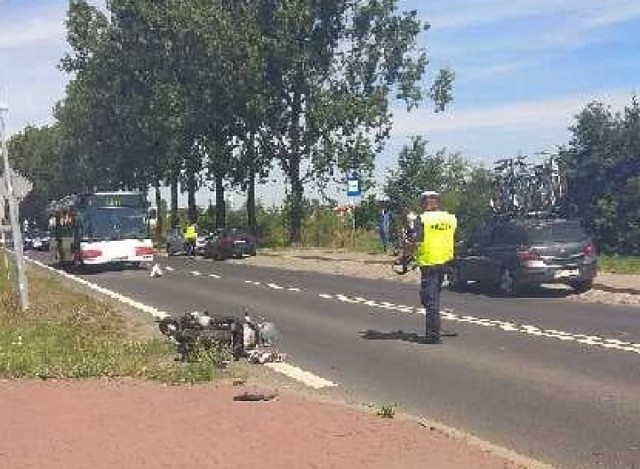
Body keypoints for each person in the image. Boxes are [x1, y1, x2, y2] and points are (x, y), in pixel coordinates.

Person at [412, 191, 457, 344]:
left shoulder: (423, 219)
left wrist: (405, 257)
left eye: (423, 202)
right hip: (445, 262)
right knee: (433, 297)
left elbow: (415, 241)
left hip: (429, 263)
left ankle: (432, 335)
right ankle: (436, 326)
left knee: (429, 299)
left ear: (426, 202)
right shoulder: (450, 218)